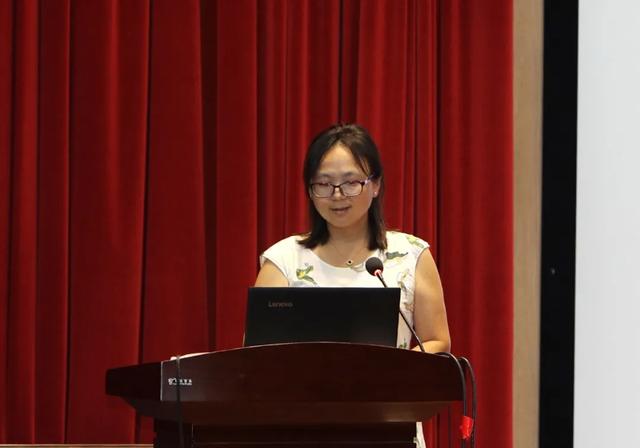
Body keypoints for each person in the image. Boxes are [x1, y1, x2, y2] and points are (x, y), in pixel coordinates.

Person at [254, 123, 450, 354]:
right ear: (310, 190)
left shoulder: (411, 253)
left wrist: (395, 369)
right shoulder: (283, 259)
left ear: (375, 185)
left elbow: (437, 340)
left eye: (350, 183)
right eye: (324, 184)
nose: (337, 195)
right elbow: (256, 349)